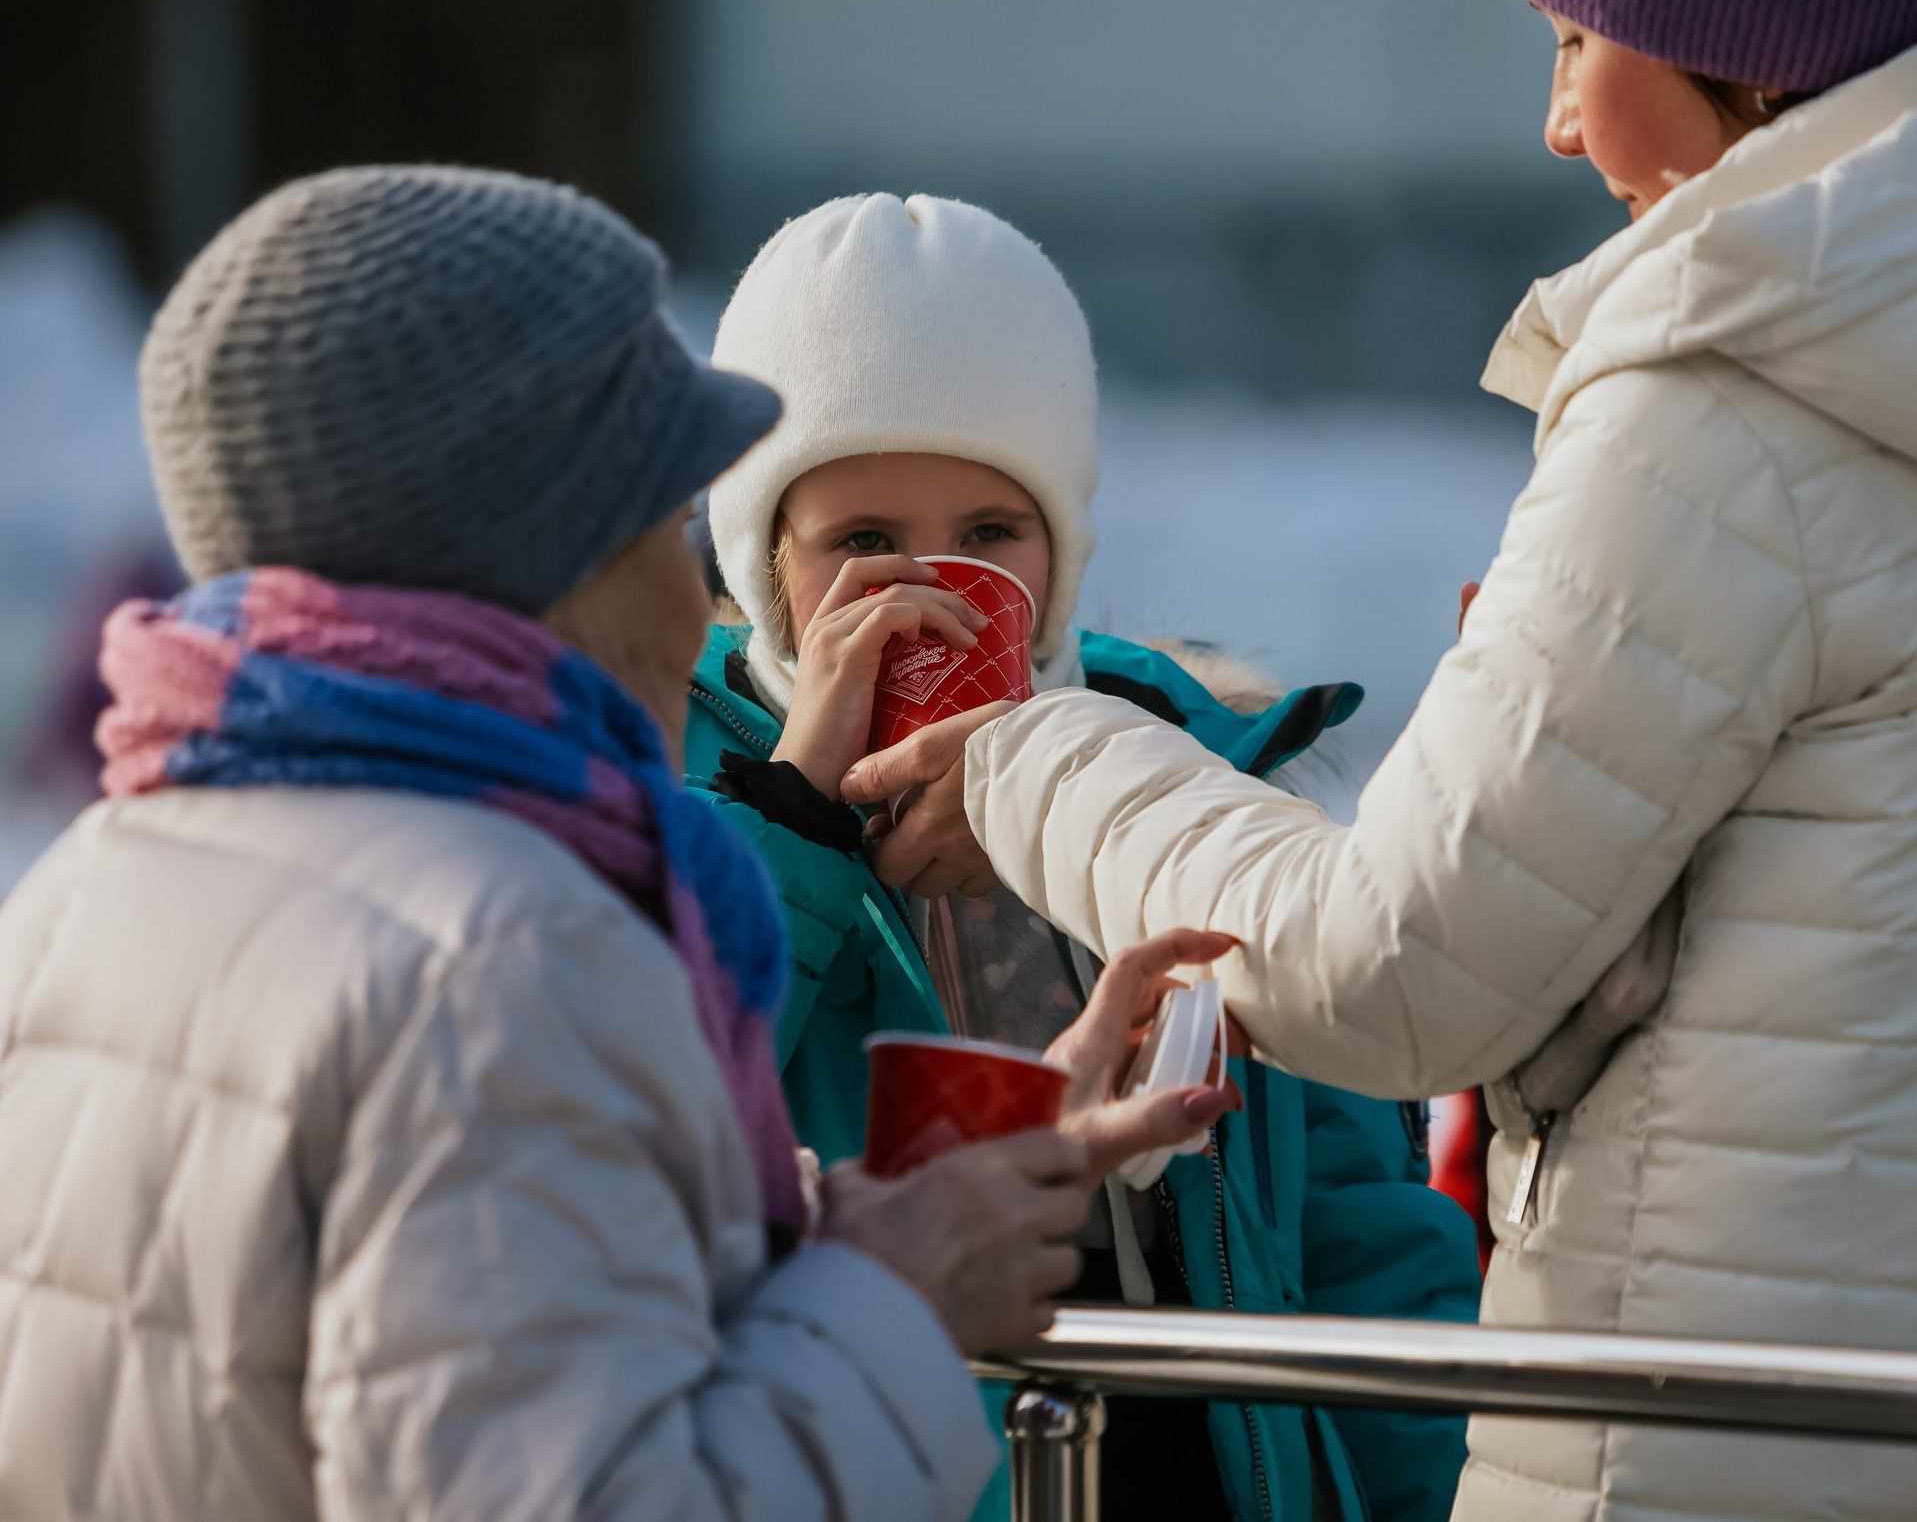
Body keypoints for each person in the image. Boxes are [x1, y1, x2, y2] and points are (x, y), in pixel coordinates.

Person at [845, 0, 1917, 1520]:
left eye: (1584, 39)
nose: (1561, 116)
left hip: (1726, 1465)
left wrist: (1030, 758)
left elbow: (1396, 974)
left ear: (1742, 39)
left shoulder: (1741, 394)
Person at [0, 165, 1227, 1521]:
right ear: (550, 549)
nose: (692, 583)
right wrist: (897, 1300)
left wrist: (839, 1230)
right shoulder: (503, 952)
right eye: (667, 517)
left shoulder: (86, 884)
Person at [684, 192, 1483, 1522]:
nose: (925, 588)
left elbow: (1360, 1226)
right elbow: (664, 1098)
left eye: (989, 534)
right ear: (766, 562)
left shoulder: (1176, 783)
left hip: (1213, 1465)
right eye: (862, 543)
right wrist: (795, 817)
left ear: (1061, 550)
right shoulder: (688, 799)